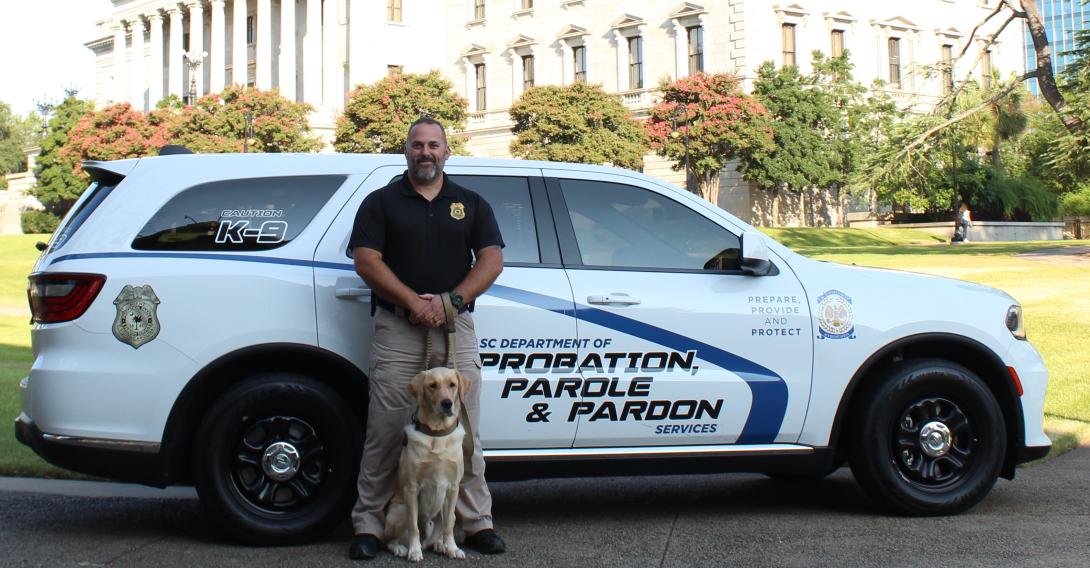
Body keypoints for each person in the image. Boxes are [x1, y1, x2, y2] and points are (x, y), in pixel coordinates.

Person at [346, 117, 506, 560]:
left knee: (465, 429)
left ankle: (475, 523)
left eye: (434, 145)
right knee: (385, 428)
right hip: (399, 327)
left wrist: (451, 301)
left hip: (455, 328)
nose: (425, 153)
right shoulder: (381, 202)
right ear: (406, 151)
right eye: (417, 145)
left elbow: (492, 259)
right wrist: (414, 303)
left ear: (447, 152)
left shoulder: (470, 202)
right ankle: (370, 525)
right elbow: (366, 260)